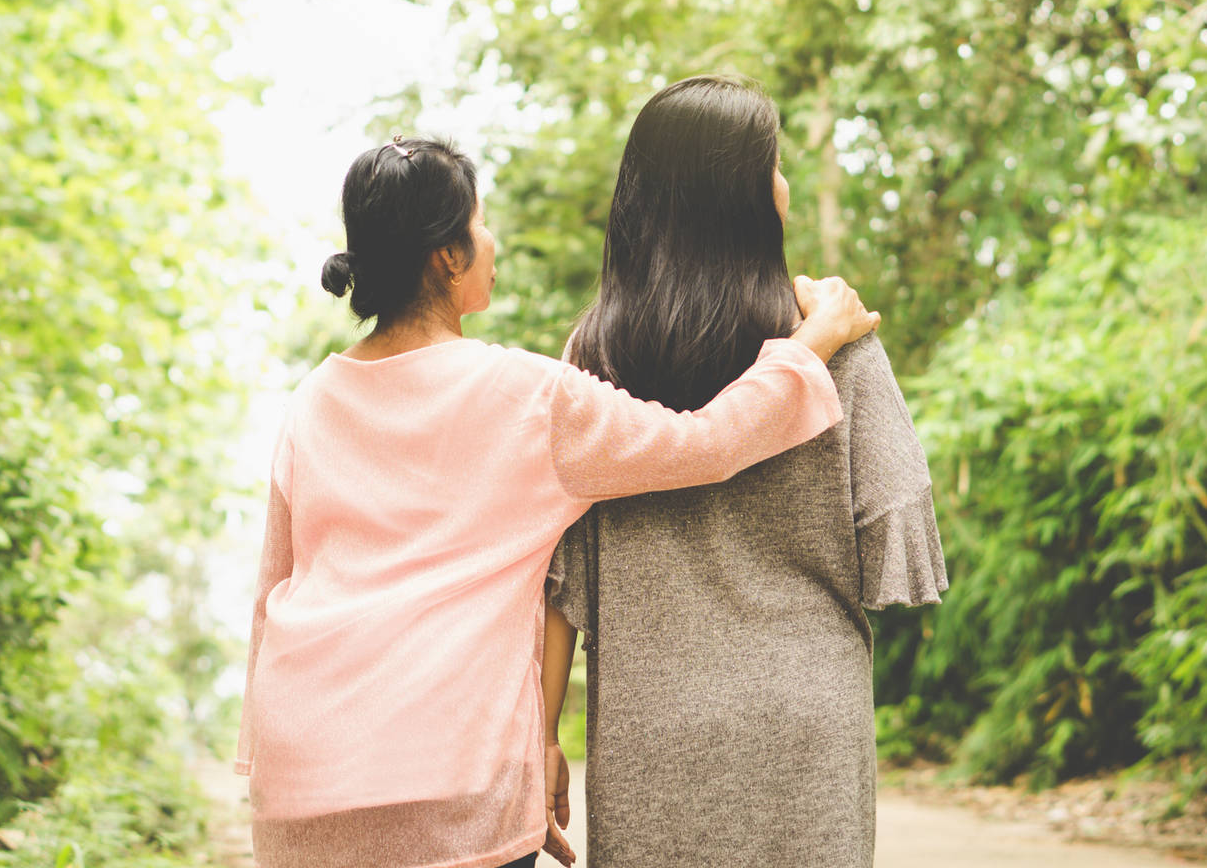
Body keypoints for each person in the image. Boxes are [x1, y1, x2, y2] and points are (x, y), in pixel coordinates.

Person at [233, 134, 880, 868]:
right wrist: (808, 346)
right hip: (452, 774)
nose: (492, 239)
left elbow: (273, 591)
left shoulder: (311, 401)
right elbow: (707, 444)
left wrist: (261, 761)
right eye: (480, 225)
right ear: (448, 255)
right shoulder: (529, 398)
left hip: (306, 773)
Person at [541, 76, 948, 866]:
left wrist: (542, 731)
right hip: (805, 718)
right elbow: (896, 526)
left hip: (649, 728)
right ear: (742, 195)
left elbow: (556, 573)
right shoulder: (833, 338)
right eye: (773, 165)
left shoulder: (593, 360)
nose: (785, 184)